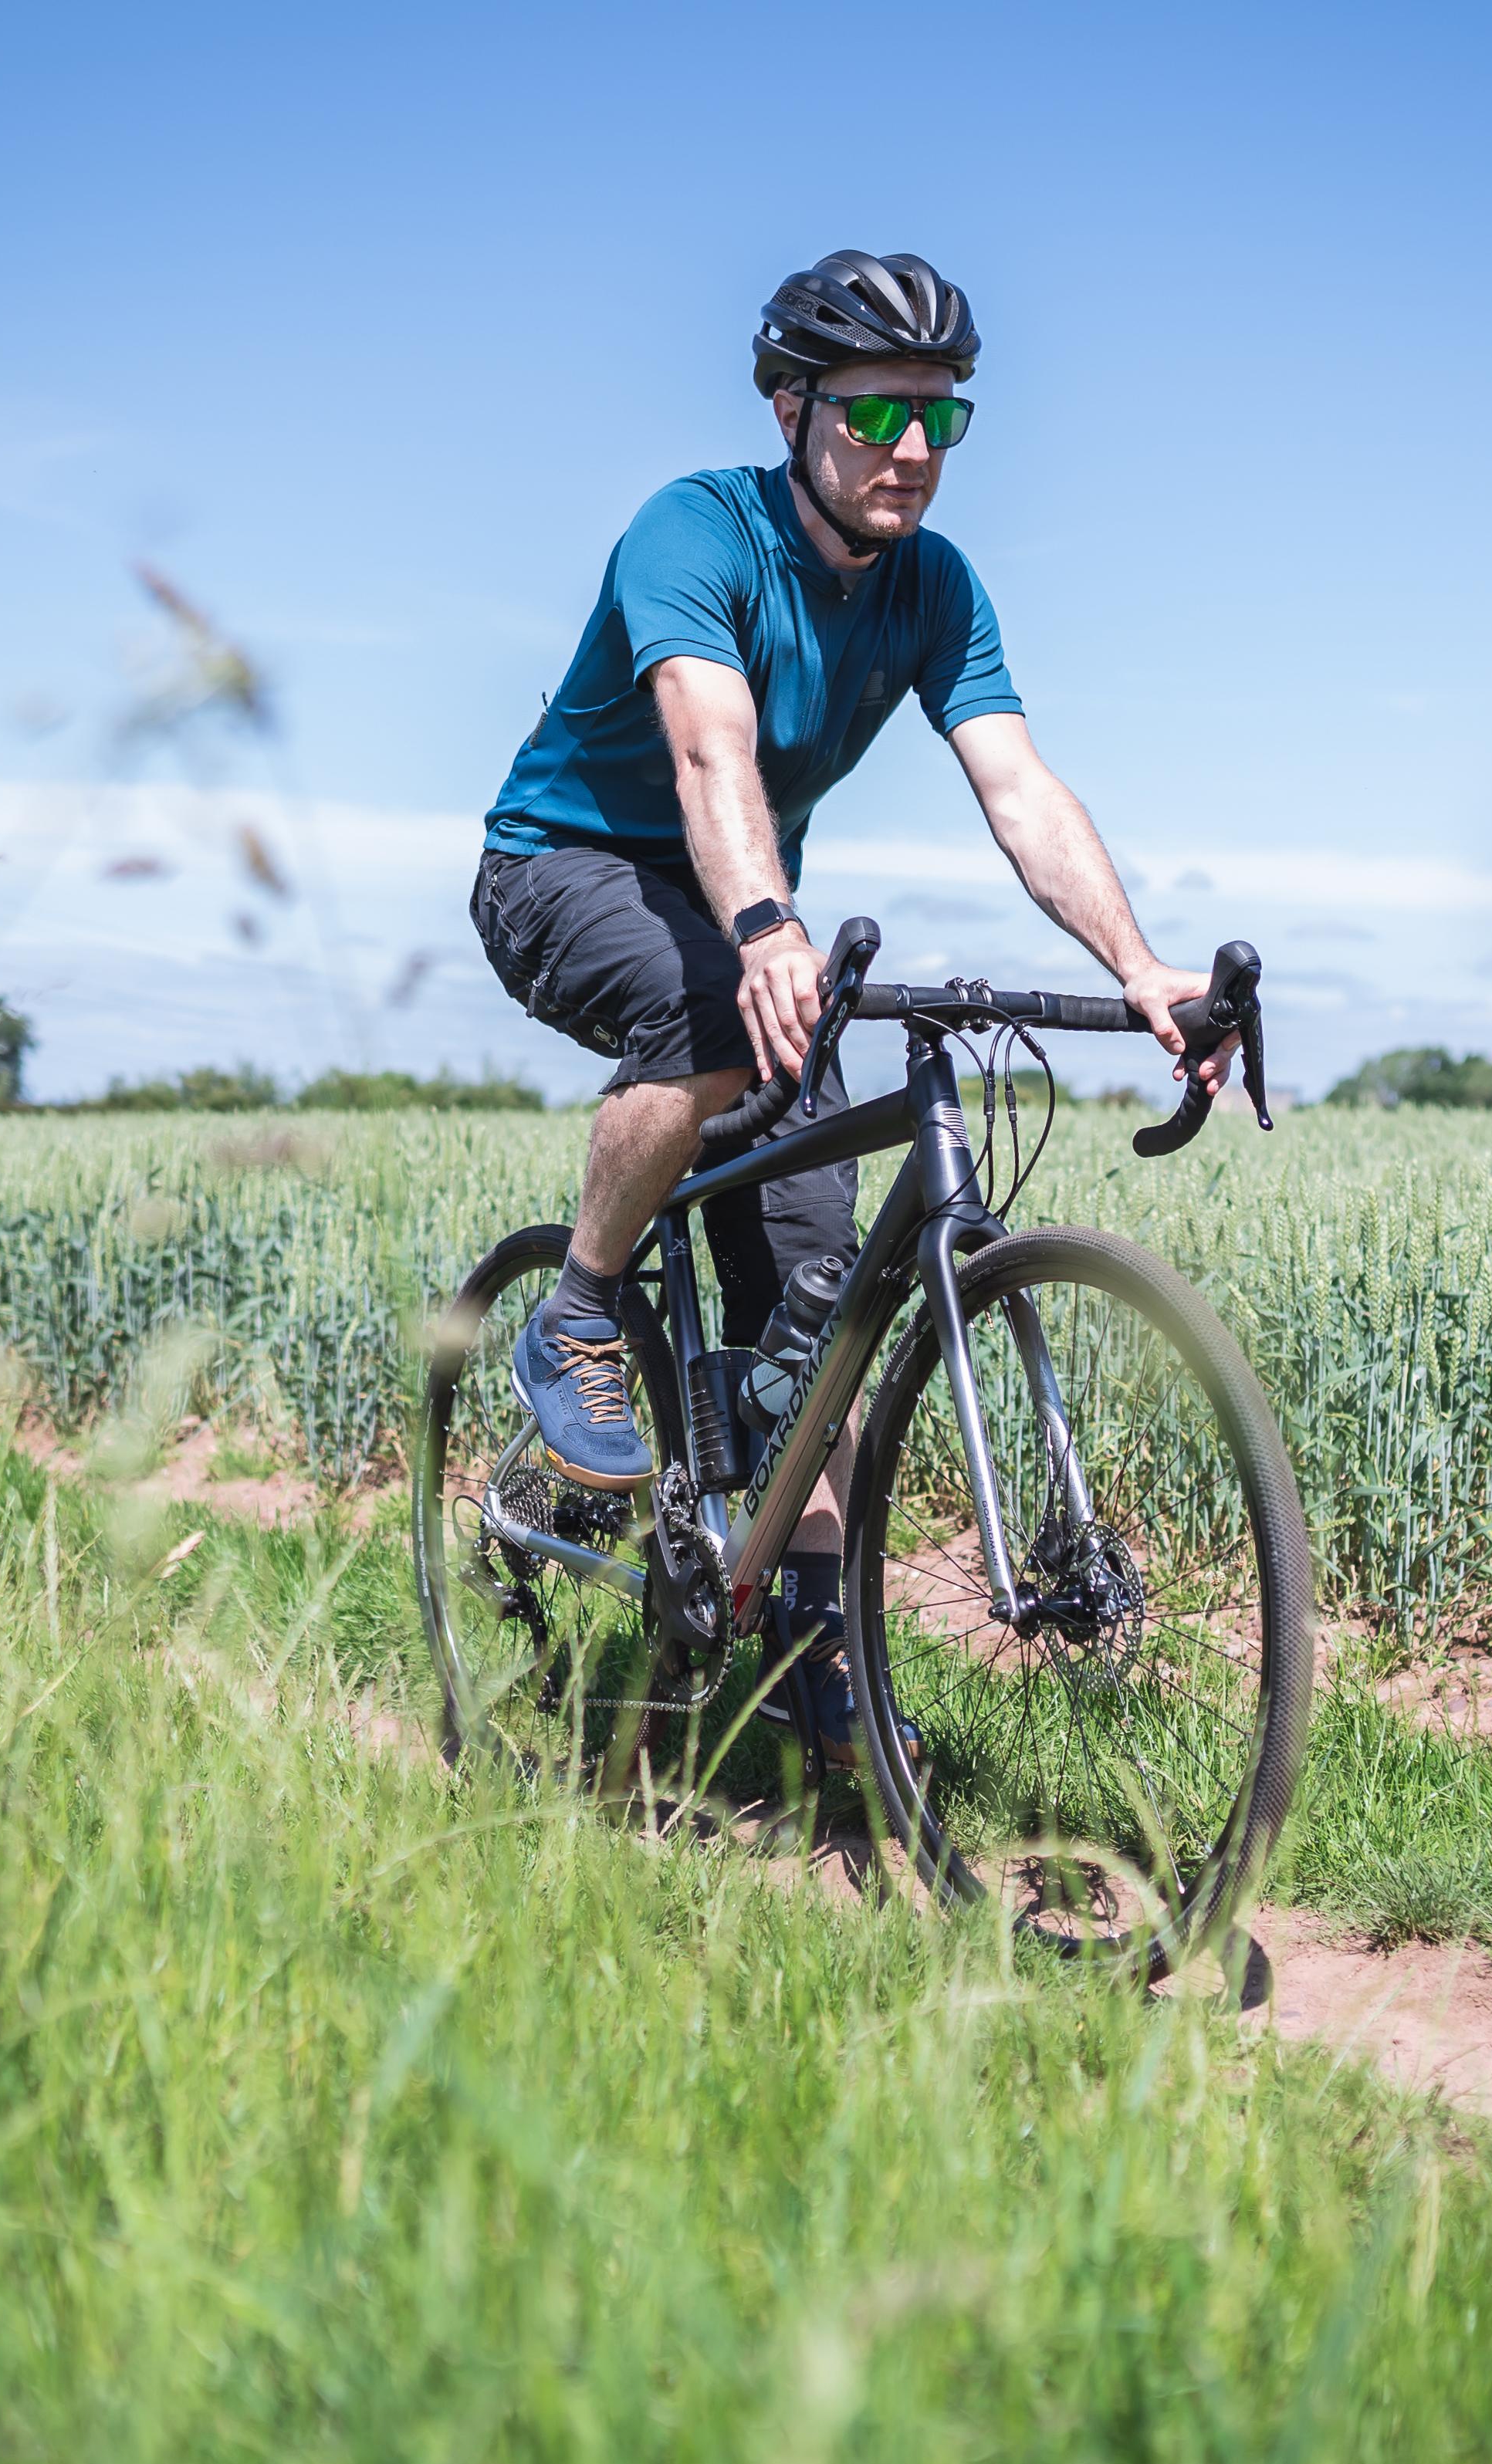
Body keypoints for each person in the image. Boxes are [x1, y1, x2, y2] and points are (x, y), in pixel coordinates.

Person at [468, 247, 1225, 1768]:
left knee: (813, 1315)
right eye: (878, 416)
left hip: (743, 909)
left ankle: (810, 1689)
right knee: (716, 1015)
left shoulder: (936, 591)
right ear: (788, 404)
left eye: (943, 421)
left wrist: (1140, 969)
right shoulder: (693, 530)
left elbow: (1016, 786)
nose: (912, 453)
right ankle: (577, 1312)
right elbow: (707, 750)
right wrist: (760, 921)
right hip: (566, 870)